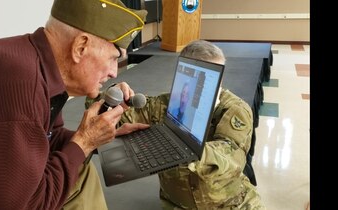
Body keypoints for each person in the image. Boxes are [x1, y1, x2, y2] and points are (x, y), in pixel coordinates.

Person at [0, 0, 150, 209]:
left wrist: (98, 138)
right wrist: (84, 142)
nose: (114, 72)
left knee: (81, 171)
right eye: (113, 58)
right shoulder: (21, 86)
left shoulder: (33, 64)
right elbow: (28, 205)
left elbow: (47, 138)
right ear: (80, 47)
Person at [87, 40, 266, 209]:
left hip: (229, 204)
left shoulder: (234, 110)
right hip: (177, 205)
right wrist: (110, 99)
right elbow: (111, 118)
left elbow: (231, 158)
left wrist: (184, 143)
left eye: (212, 78)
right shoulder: (167, 105)